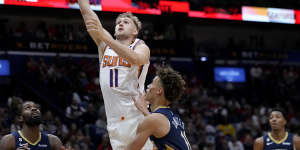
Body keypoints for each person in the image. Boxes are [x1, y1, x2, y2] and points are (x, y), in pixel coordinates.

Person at [78, 0, 153, 149]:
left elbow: (136, 59)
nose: (120, 23)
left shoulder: (140, 46)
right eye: (118, 22)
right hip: (113, 123)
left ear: (135, 31)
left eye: (126, 22)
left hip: (135, 118)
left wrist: (106, 37)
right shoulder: (105, 46)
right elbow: (89, 15)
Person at [126, 66, 192, 150]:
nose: (148, 86)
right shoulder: (172, 116)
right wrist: (144, 110)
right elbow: (156, 124)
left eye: (152, 83)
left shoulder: (153, 120)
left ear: (159, 91)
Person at [0, 101, 72, 150]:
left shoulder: (53, 141)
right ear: (20, 118)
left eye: (36, 107)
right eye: (28, 107)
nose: (34, 109)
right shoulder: (9, 140)